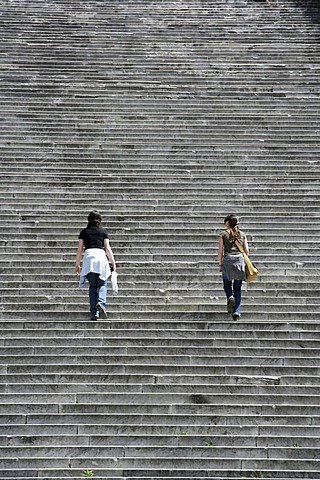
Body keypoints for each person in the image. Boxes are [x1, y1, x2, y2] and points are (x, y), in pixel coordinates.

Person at [75, 210, 116, 320]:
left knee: (92, 286)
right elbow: (107, 248)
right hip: (100, 257)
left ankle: (94, 312)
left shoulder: (84, 232)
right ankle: (101, 303)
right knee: (102, 284)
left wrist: (77, 264)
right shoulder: (103, 232)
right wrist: (113, 263)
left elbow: (79, 250)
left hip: (89, 258)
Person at [218, 214, 249, 321]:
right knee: (237, 288)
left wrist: (220, 264)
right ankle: (236, 312)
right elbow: (246, 251)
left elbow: (220, 251)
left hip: (227, 261)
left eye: (225, 222)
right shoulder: (242, 234)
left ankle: (230, 297)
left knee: (227, 284)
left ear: (227, 223)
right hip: (239, 261)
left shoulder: (222, 234)